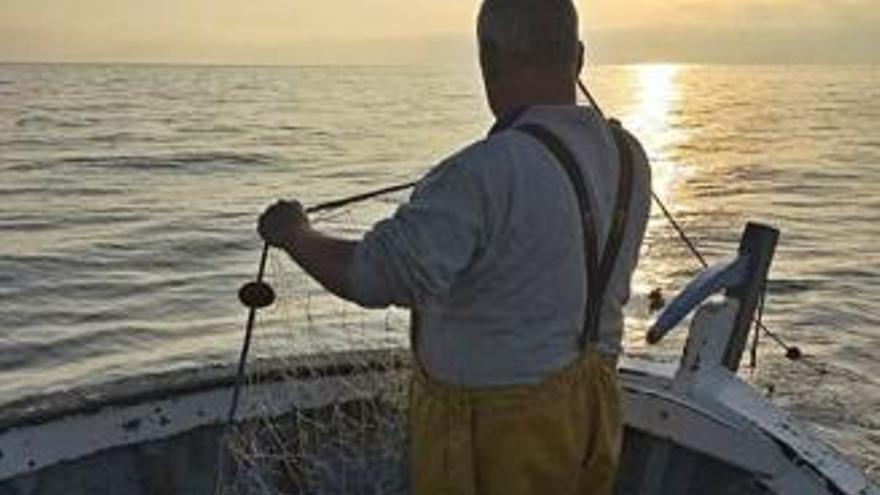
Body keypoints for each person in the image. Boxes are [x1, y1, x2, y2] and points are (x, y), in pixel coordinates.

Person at [257, 0, 651, 493]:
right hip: (592, 414)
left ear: (488, 57)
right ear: (579, 56)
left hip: (495, 436)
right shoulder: (630, 156)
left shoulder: (481, 172)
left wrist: (296, 232)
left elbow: (374, 275)